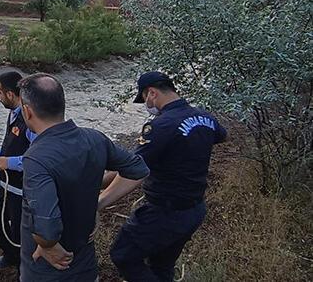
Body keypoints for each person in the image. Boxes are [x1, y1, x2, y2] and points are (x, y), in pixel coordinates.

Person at [19, 73, 149, 281]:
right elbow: (137, 169)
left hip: (47, 272)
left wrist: (47, 245)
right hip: (86, 265)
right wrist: (99, 203)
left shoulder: (36, 158)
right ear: (62, 103)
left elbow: (47, 229)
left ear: (27, 111)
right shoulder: (94, 138)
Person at [99, 71, 228, 282]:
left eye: (144, 99)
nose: (147, 105)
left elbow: (135, 171)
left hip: (164, 213)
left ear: (152, 93)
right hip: (194, 210)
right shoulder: (205, 117)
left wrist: (100, 202)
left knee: (123, 255)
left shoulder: (161, 126)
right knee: (162, 265)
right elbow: (223, 136)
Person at [0, 71, 34, 269]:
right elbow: (11, 144)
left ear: (11, 95)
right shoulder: (13, 114)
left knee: (19, 234)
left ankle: (23, 270)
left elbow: (36, 158)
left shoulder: (30, 118)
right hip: (3, 183)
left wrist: (9, 162)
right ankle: (10, 255)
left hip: (20, 190)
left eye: (0, 93)